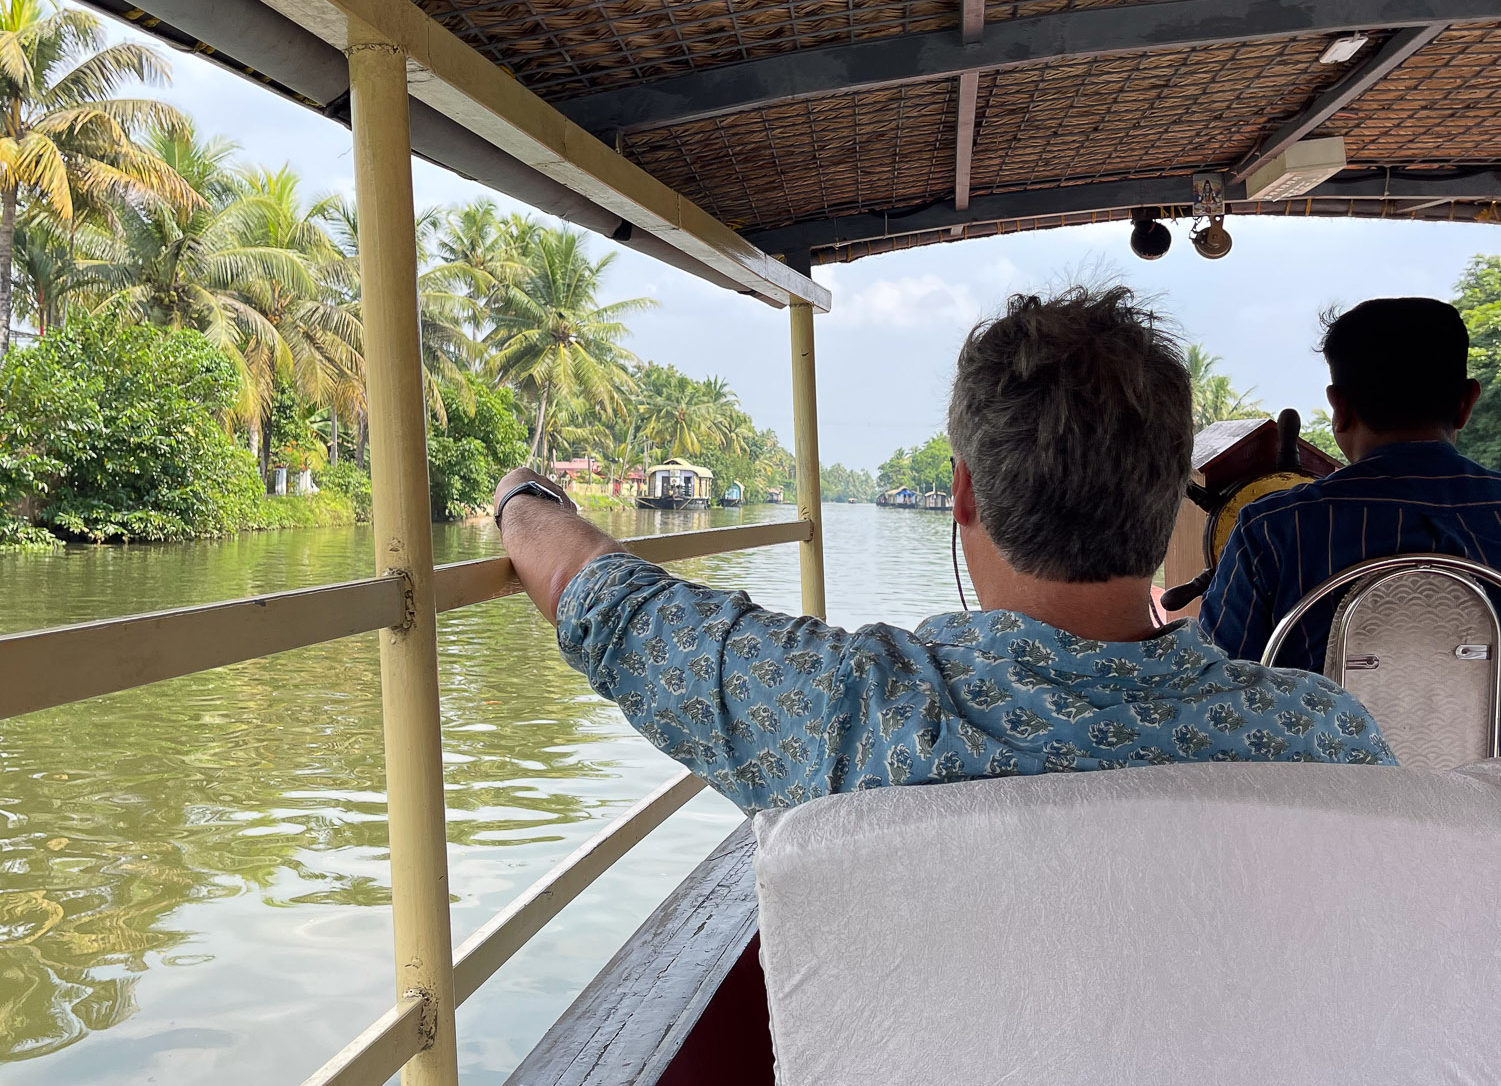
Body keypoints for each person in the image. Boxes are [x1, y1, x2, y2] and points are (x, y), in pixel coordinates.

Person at [495, 287, 1391, 812]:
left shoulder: (843, 714)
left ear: (961, 492)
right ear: (1169, 501)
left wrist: (523, 499)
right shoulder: (1323, 738)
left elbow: (610, 605)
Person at [1201, 296, 1501, 672]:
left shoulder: (1271, 529)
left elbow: (1218, 683)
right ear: (1466, 403)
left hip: (1313, 734)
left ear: (1339, 408)